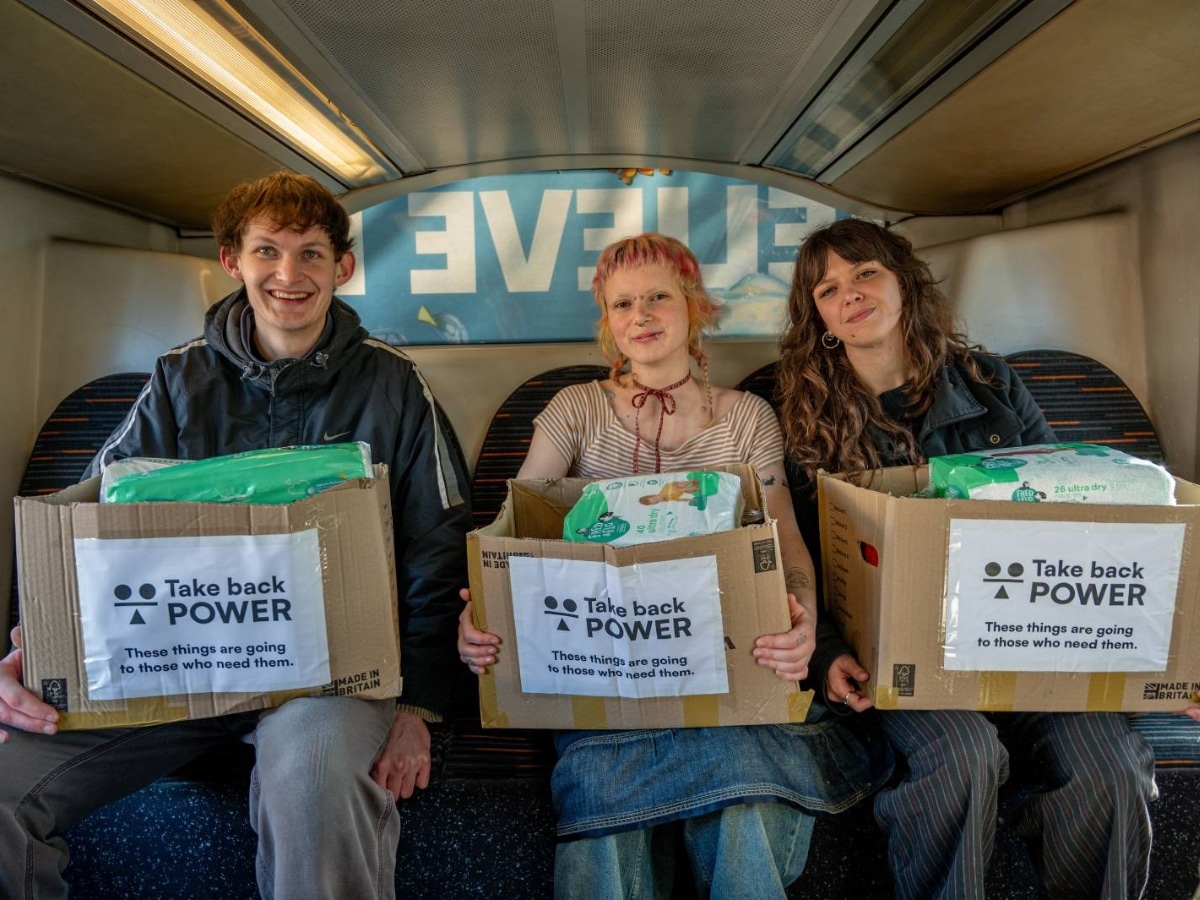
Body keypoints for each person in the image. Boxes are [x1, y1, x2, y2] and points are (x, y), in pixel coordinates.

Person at [0, 171, 473, 899]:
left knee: (312, 793)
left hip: (328, 679)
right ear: (232, 260)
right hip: (181, 664)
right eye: (267, 252)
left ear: (342, 269)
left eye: (312, 254)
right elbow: (88, 528)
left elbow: (436, 547)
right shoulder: (177, 380)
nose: (290, 275)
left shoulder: (395, 386)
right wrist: (28, 654)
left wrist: (416, 709)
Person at [459, 233, 892, 899]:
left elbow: (786, 540)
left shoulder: (747, 418)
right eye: (622, 303)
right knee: (607, 819)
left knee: (744, 805)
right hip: (602, 672)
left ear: (693, 306)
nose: (641, 314)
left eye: (658, 296)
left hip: (723, 660)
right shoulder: (575, 409)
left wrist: (800, 622)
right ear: (608, 323)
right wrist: (478, 612)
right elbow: (511, 530)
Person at [776, 217, 1158, 900]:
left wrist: (1162, 659)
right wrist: (827, 650)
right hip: (902, 658)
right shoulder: (801, 418)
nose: (851, 293)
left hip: (1029, 637)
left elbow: (1074, 509)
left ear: (902, 282)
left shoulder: (990, 384)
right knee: (963, 757)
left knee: (1108, 768)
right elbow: (800, 561)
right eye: (828, 288)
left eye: (865, 272)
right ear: (821, 317)